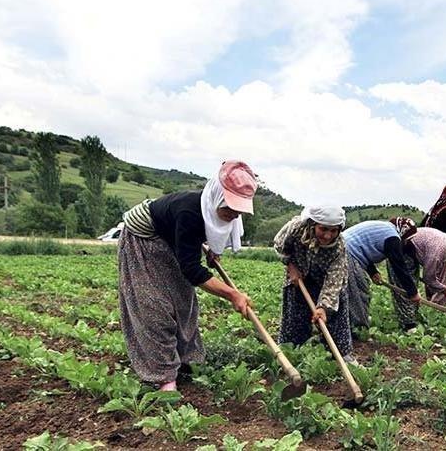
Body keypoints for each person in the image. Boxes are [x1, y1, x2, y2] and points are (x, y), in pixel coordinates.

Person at [117, 161, 256, 391]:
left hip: (169, 238)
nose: (233, 215)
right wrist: (232, 294)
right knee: (154, 306)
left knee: (184, 301)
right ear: (216, 199)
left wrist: (214, 251)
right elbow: (191, 269)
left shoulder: (224, 214)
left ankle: (186, 360)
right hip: (142, 238)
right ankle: (162, 375)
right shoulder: (190, 212)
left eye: (238, 211)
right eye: (229, 210)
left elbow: (209, 234)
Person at [274, 205, 357, 364]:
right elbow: (279, 245)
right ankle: (289, 352)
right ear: (313, 225)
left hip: (325, 279)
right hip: (299, 273)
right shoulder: (297, 228)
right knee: (295, 313)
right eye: (323, 229)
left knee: (335, 314)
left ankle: (341, 354)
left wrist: (323, 307)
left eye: (333, 231)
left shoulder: (339, 247)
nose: (327, 236)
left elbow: (334, 280)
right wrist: (290, 266)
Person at [342, 219, 421, 333]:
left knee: (347, 291)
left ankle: (351, 322)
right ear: (403, 232)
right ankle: (358, 328)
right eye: (407, 239)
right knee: (360, 291)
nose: (406, 243)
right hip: (347, 253)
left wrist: (372, 272)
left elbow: (363, 246)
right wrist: (413, 292)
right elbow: (399, 268)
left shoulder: (386, 228)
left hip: (346, 248)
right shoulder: (393, 238)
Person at [407, 227, 446, 304]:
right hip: (405, 250)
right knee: (408, 291)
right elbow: (428, 277)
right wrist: (444, 290)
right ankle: (406, 314)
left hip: (413, 250)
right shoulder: (437, 252)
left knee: (412, 286)